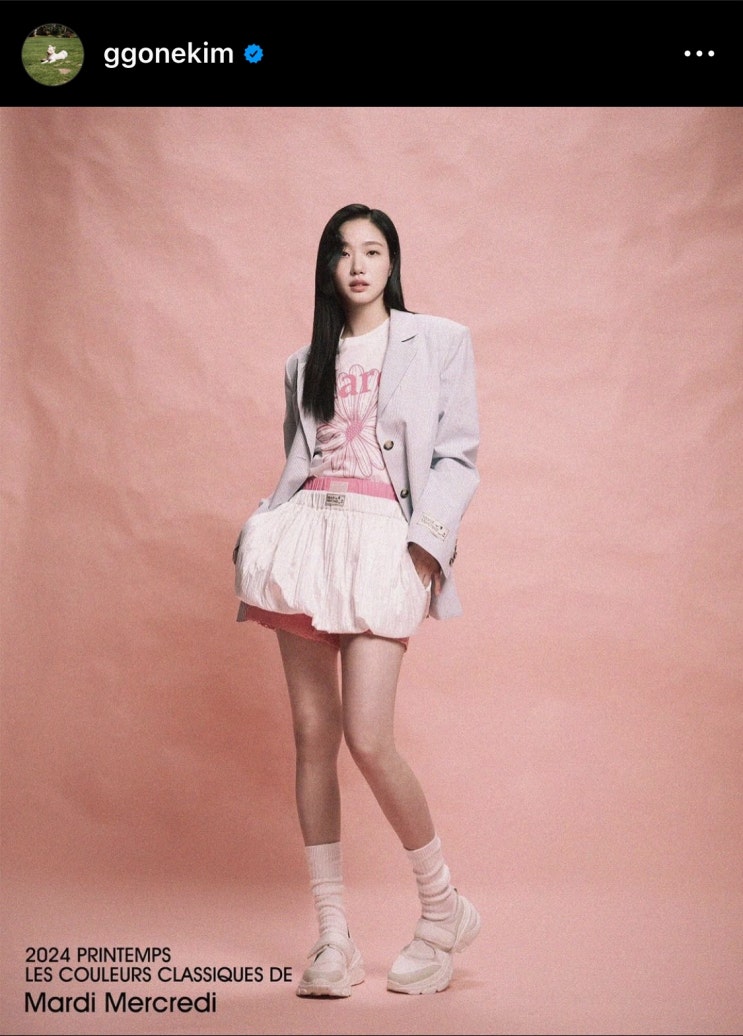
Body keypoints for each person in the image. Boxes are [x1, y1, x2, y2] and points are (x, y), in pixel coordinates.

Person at [233, 203, 481, 997]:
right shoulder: (301, 362)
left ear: (391, 262)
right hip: (306, 539)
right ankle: (333, 937)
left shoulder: (438, 340)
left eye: (372, 251)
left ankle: (441, 908)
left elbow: (456, 456)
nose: (357, 265)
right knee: (313, 736)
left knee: (368, 737)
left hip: (383, 543)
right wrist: (262, 530)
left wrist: (425, 546)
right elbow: (299, 461)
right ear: (327, 267)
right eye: (343, 252)